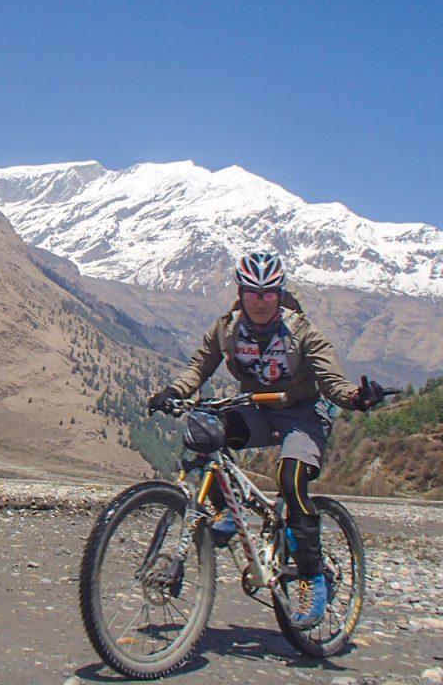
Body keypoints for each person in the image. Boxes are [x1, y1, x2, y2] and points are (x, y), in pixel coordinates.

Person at [147, 251, 385, 629]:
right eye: (253, 293)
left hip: (303, 413)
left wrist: (356, 398)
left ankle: (311, 578)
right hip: (257, 408)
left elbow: (332, 381)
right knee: (207, 428)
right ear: (241, 293)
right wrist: (173, 391)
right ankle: (225, 512)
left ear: (280, 294)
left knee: (291, 482)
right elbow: (200, 365)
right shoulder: (227, 329)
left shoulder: (302, 332)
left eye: (268, 293)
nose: (260, 300)